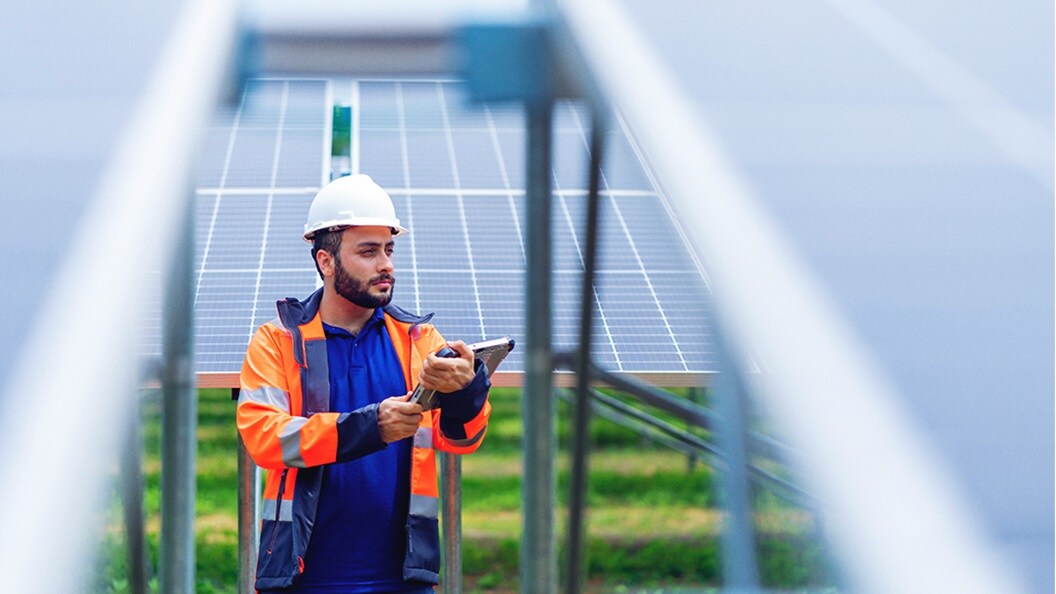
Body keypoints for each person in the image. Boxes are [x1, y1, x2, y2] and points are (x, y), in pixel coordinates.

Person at [236, 174, 492, 593]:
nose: (386, 264)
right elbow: (266, 439)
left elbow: (464, 439)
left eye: (389, 250)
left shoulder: (420, 341)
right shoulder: (278, 341)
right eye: (369, 252)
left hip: (406, 577)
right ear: (326, 262)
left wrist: (467, 391)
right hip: (303, 576)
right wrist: (372, 427)